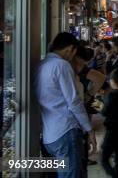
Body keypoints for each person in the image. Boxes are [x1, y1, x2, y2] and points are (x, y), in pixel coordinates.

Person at [36, 32, 96, 178]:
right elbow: (74, 102)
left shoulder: (42, 65)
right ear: (70, 49)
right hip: (65, 131)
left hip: (49, 135)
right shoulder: (61, 65)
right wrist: (89, 129)